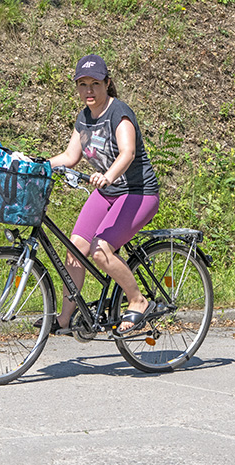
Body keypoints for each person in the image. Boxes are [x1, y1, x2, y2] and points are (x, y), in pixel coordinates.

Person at [47, 54, 160, 335]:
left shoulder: (118, 112)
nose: (89, 90)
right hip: (107, 192)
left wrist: (108, 175)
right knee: (75, 249)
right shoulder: (84, 118)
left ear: (107, 83)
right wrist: (36, 164)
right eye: (82, 84)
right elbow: (70, 156)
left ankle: (138, 300)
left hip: (137, 192)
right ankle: (65, 317)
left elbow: (128, 152)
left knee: (100, 250)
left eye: (95, 83)